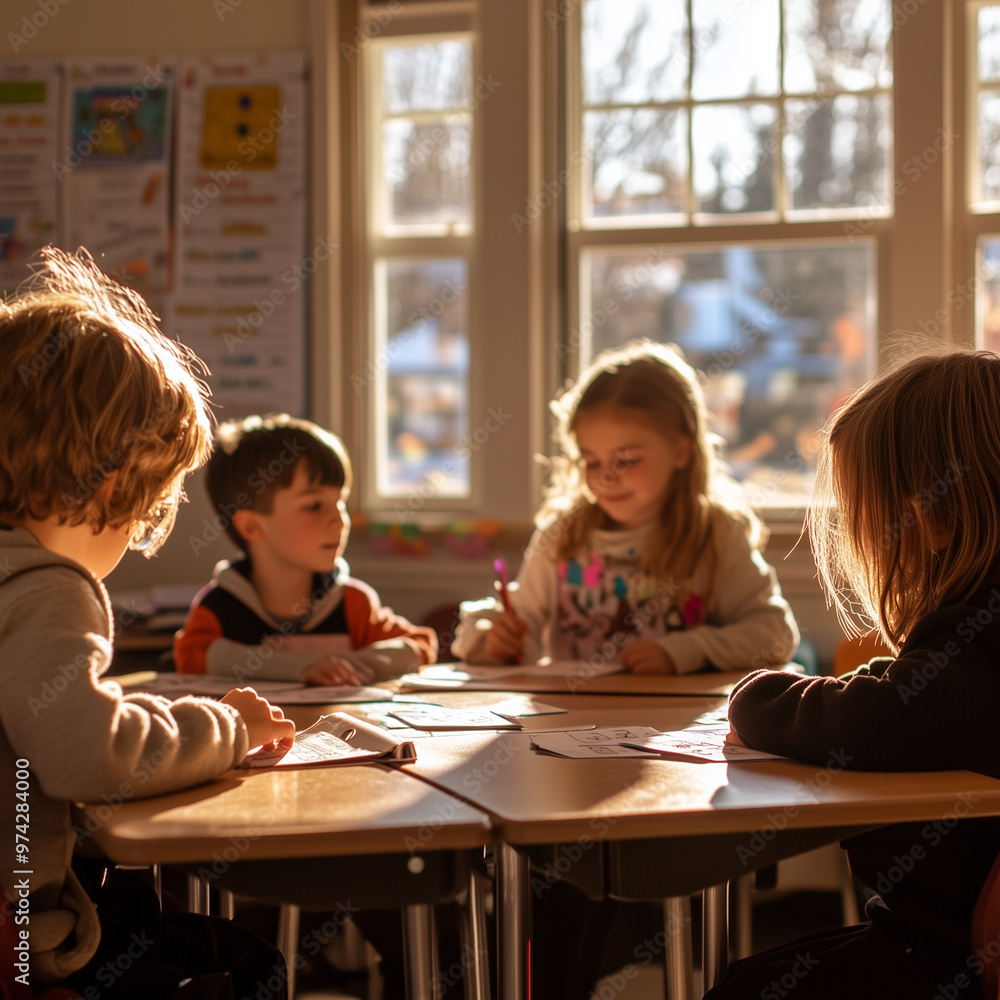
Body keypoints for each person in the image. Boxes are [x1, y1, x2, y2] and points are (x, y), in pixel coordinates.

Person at [0, 247, 295, 997]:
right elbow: (84, 755)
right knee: (246, 966)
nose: (137, 535)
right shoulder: (43, 586)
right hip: (25, 944)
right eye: (149, 501)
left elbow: (44, 710)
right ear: (108, 481)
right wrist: (230, 731)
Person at [708, 348, 1000, 999]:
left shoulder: (976, 646)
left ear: (930, 518)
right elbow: (916, 695)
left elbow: (865, 719)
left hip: (954, 964)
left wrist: (757, 692)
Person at [452, 339, 799, 673]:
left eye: (626, 461)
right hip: (569, 726)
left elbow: (777, 634)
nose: (605, 478)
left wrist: (684, 651)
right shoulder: (562, 534)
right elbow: (515, 623)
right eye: (591, 462)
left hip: (678, 727)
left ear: (681, 451)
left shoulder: (716, 533)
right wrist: (493, 639)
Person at [174, 414, 437, 686]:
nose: (339, 520)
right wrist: (300, 668)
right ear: (252, 527)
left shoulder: (353, 604)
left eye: (340, 502)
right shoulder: (219, 608)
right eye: (314, 506)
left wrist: (344, 667)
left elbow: (419, 645)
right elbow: (191, 658)